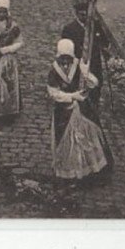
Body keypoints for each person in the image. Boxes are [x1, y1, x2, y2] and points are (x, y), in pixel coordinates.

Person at [47, 38, 109, 180]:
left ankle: (86, 170)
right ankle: (68, 172)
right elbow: (53, 93)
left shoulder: (78, 65)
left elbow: (94, 83)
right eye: (62, 58)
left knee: (84, 139)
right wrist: (72, 96)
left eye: (68, 58)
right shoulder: (54, 70)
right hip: (63, 112)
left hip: (80, 110)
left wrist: (87, 74)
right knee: (65, 142)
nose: (65, 62)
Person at [60, 0, 110, 112]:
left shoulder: (94, 26)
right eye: (82, 15)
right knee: (78, 84)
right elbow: (66, 49)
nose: (85, 18)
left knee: (96, 83)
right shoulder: (69, 29)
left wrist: (104, 48)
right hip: (78, 63)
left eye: (87, 15)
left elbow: (104, 41)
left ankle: (93, 105)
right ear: (77, 14)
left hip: (94, 61)